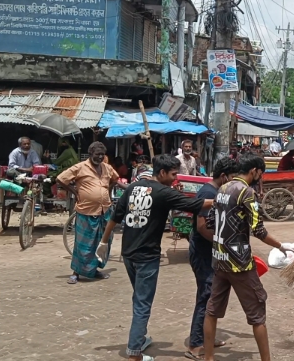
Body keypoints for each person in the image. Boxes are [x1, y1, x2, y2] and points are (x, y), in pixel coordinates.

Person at [96, 155, 216, 361]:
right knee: (143, 303)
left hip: (129, 253)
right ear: (161, 173)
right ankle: (134, 353)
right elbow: (196, 205)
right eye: (173, 174)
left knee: (139, 298)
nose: (176, 178)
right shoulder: (164, 192)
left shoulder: (133, 187)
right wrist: (225, 199)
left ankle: (139, 339)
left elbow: (115, 216)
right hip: (146, 257)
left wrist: (104, 242)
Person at [202, 154, 294, 361]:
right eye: (260, 174)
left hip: (219, 260)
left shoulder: (222, 189)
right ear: (254, 171)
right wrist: (282, 246)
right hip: (240, 264)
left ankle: (208, 357)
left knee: (212, 311)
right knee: (257, 315)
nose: (259, 178)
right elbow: (259, 231)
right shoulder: (247, 192)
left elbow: (211, 222)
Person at [185, 158, 239, 360]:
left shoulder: (216, 192)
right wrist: (221, 243)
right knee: (206, 296)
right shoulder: (209, 193)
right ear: (224, 176)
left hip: (210, 252)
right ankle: (196, 344)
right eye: (232, 178)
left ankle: (206, 338)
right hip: (203, 251)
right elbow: (201, 227)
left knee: (212, 295)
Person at [56, 142, 119, 284]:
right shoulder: (80, 167)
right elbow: (60, 179)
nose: (100, 157)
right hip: (86, 211)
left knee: (103, 242)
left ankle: (94, 270)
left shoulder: (107, 168)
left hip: (105, 211)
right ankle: (76, 273)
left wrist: (107, 191)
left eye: (102, 155)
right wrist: (75, 192)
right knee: (83, 244)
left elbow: (115, 179)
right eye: (97, 154)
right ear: (90, 154)